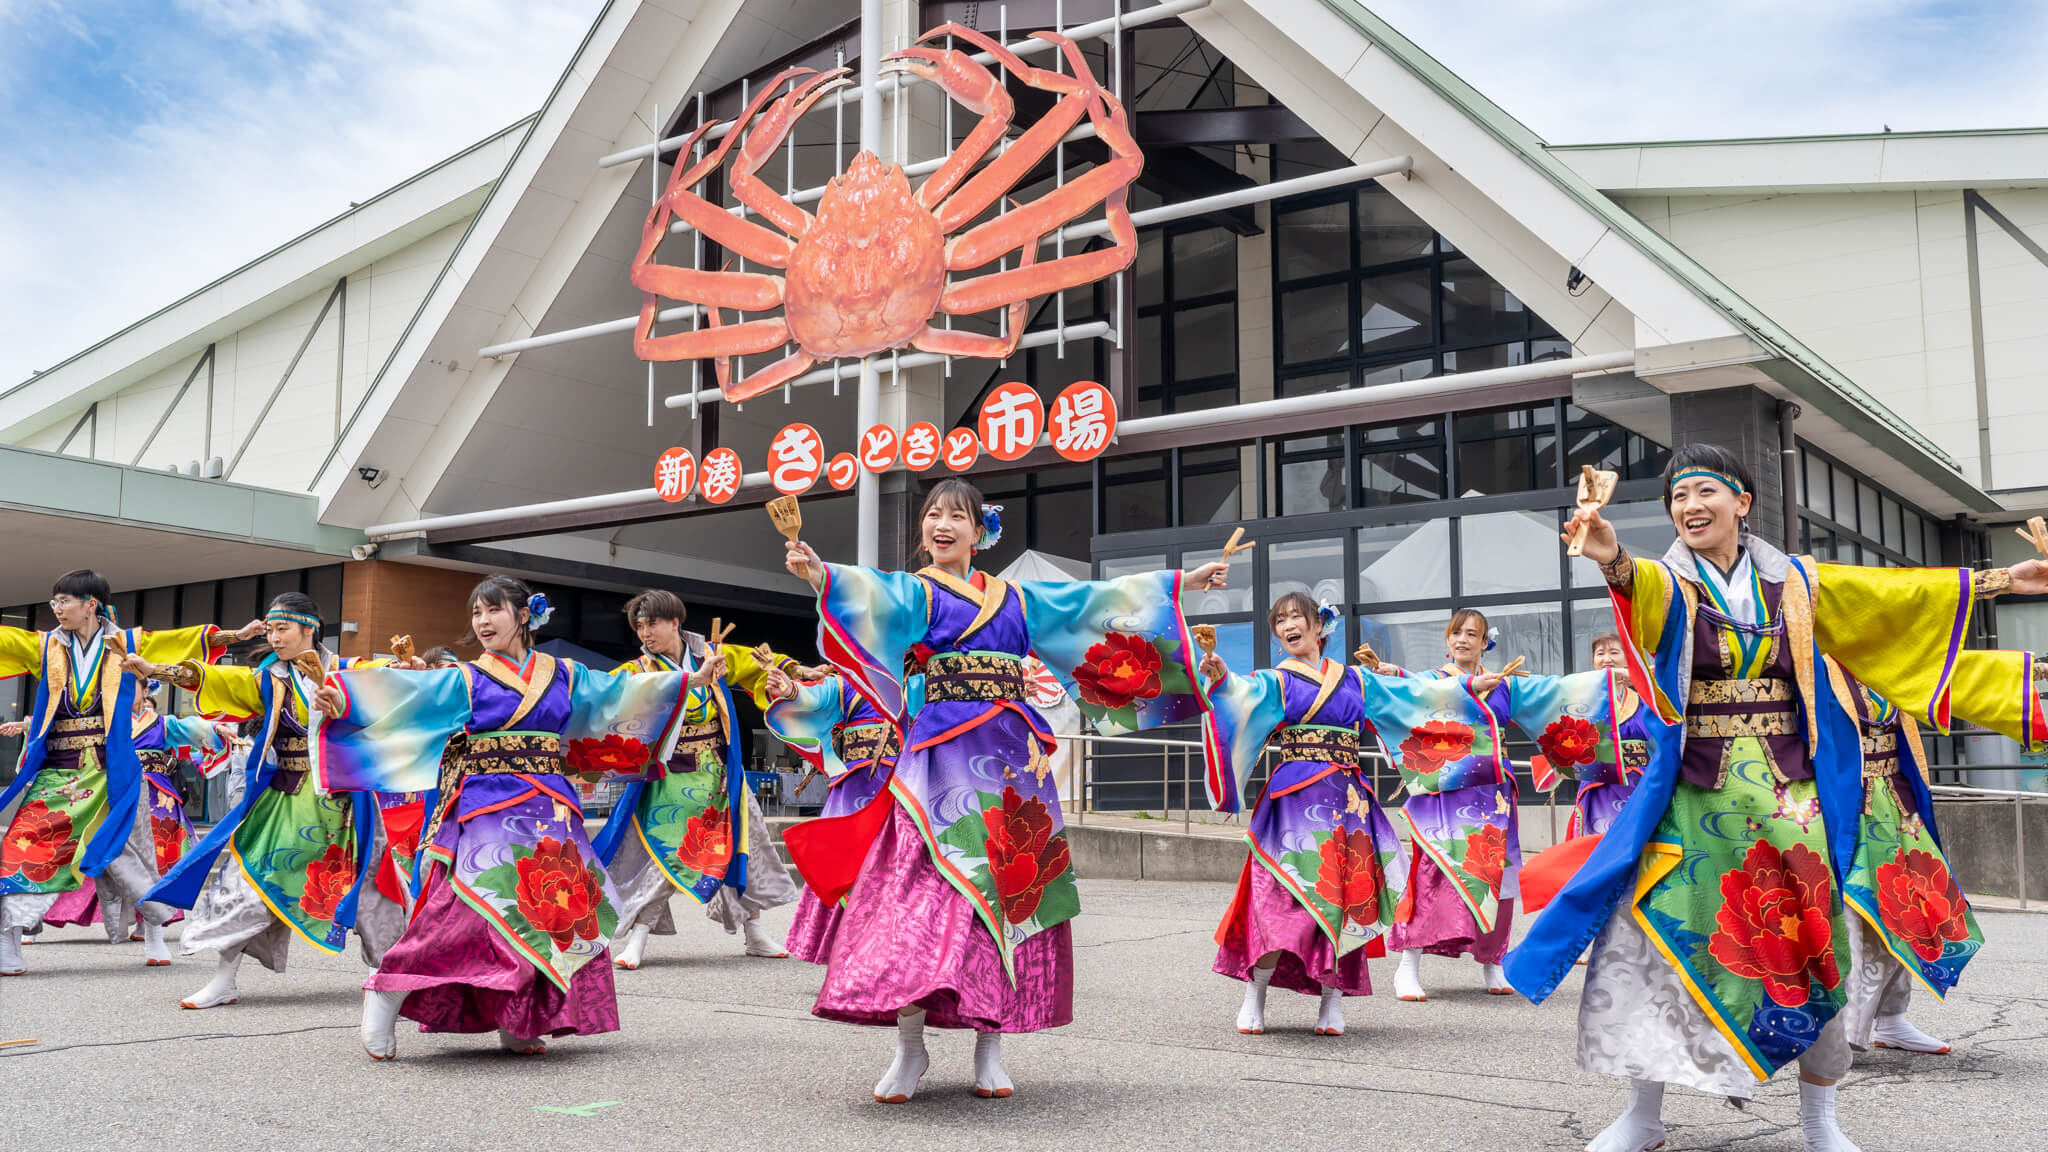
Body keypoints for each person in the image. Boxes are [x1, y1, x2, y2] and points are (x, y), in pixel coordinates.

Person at [1505, 443, 2048, 1152]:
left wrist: (2004, 579)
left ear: (1743, 502)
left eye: (1706, 492)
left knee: (1813, 946)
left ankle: (1821, 1120)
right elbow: (1638, 584)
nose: (1691, 507)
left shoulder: (1796, 582)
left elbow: (1893, 596)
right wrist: (1610, 556)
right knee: (1658, 944)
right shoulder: (1670, 582)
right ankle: (1643, 1114)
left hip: (1791, 800)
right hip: (1695, 797)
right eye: (1678, 497)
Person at [780, 479, 1224, 1101]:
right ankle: (910, 1047)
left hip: (1012, 765)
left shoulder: (1018, 600)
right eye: (932, 514)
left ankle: (992, 1046)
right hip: (934, 758)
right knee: (913, 892)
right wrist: (820, 572)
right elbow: (869, 594)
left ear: (979, 531)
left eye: (955, 515)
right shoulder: (918, 591)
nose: (941, 524)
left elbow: (1093, 601)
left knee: (1008, 892)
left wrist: (1182, 584)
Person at [322, 576, 698, 1060]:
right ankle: (389, 987)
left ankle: (518, 1016)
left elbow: (616, 697)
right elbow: (407, 697)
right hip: (486, 802)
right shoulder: (465, 678)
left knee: (552, 913)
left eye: (493, 611)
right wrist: (343, 702)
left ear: (524, 615)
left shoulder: (564, 673)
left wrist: (686, 680)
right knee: (464, 912)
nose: (482, 622)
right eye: (476, 613)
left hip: (551, 805)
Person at [139, 592, 407, 1009]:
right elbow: (213, 680)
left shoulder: (347, 670)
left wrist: (406, 666)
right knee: (246, 882)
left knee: (371, 888)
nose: (274, 637)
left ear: (309, 628)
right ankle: (224, 978)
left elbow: (386, 679)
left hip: (346, 804)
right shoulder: (268, 678)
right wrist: (156, 669)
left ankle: (387, 976)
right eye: (271, 629)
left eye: (282, 628)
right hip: (287, 796)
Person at [0, 569, 254, 975]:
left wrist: (231, 637)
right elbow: (5, 639)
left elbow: (176, 642)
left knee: (132, 856)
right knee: (21, 846)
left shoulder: (126, 644)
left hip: (113, 772)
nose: (57, 609)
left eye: (64, 601)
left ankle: (154, 928)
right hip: (60, 771)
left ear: (90, 604)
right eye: (54, 602)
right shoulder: (46, 646)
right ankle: (9, 942)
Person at [1197, 593, 1407, 1037]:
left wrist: (1400, 675)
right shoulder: (1276, 680)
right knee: (1277, 897)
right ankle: (1255, 991)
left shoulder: (1356, 681)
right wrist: (1220, 678)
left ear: (1318, 626)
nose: (1287, 625)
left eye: (1296, 616)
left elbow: (1411, 701)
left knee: (1343, 896)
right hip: (1293, 800)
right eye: (1280, 620)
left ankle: (1333, 1000)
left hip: (1346, 802)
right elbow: (1240, 694)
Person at [596, 589, 814, 968]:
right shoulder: (638, 671)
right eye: (639, 626)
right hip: (669, 776)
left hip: (719, 771)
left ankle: (755, 931)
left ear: (675, 622)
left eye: (653, 623)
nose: (645, 633)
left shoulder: (713, 654)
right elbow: (607, 695)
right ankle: (640, 936)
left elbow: (761, 664)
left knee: (749, 844)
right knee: (667, 856)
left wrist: (797, 673)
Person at [1827, 659, 1967, 1058]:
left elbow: (1957, 677)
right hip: (1845, 810)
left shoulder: (1893, 665)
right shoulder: (1817, 664)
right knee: (1856, 915)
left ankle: (1891, 1018)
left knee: (1909, 911)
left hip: (1895, 806)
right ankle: (1845, 1029)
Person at [1377, 609, 1519, 1002]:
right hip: (1443, 791)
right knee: (1431, 873)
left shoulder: (1503, 684)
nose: (1462, 640)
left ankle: (1493, 960)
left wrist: (1610, 682)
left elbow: (1551, 696)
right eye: (1456, 633)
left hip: (1492, 794)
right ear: (1447, 640)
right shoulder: (1431, 682)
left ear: (1485, 641)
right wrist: (1394, 676)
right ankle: (1408, 964)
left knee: (1495, 876)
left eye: (1472, 634)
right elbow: (1409, 692)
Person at [32, 689, 230, 946]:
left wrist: (215, 729)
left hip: (158, 800)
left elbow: (191, 726)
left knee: (154, 859)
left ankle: (146, 923)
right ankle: (31, 917)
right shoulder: (105, 721)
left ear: (145, 691)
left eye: (133, 685)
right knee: (90, 852)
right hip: (114, 795)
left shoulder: (163, 724)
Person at [756, 664, 914, 964]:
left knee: (898, 865)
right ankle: (844, 949)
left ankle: (897, 949)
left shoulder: (919, 682)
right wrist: (790, 690)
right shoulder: (849, 683)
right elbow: (816, 698)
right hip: (856, 789)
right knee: (845, 865)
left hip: (904, 787)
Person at [1570, 634, 1653, 838]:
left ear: (1628, 659)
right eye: (1600, 654)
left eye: (1614, 652)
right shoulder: (1582, 699)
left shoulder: (1645, 698)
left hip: (1640, 781)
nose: (1607, 659)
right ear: (1593, 662)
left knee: (1640, 840)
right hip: (1601, 782)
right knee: (1600, 839)